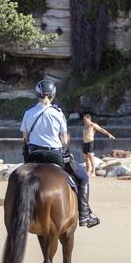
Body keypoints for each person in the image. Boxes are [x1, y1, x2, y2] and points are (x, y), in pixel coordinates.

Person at [21, 80, 100, 228]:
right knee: (83, 178)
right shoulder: (58, 113)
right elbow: (64, 140)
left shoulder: (28, 113)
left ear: (37, 94)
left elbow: (25, 138)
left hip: (33, 156)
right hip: (54, 155)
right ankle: (84, 215)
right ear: (53, 95)